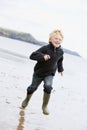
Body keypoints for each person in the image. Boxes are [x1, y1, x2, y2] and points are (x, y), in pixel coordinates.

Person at [21, 29, 64, 115]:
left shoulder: (61, 51)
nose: (57, 41)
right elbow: (32, 55)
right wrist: (42, 56)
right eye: (56, 38)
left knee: (48, 86)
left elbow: (60, 60)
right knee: (33, 87)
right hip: (39, 73)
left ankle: (44, 106)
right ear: (50, 39)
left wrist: (60, 69)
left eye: (60, 39)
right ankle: (27, 99)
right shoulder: (45, 48)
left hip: (50, 74)